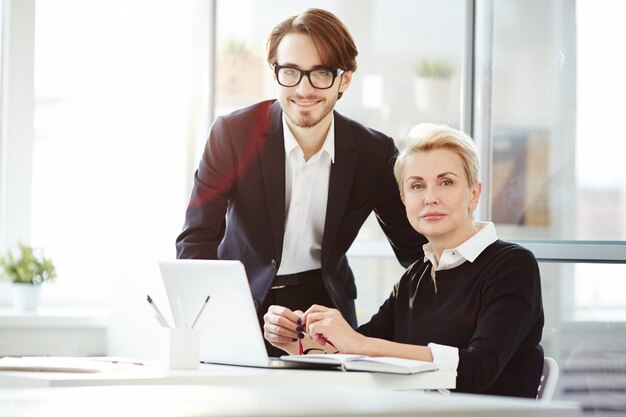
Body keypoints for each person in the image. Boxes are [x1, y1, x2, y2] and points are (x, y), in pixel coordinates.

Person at [175, 8, 425, 357]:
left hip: (325, 313)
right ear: (275, 73)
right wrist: (219, 316)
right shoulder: (233, 134)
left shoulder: (374, 152)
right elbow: (196, 240)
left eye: (321, 73)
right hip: (241, 303)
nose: (303, 89)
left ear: (345, 80)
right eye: (290, 72)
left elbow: (416, 251)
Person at [263, 123, 545, 397]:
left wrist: (360, 344)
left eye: (446, 182)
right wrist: (296, 341)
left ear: (474, 193)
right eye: (417, 186)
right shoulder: (414, 277)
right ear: (404, 199)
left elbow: (477, 369)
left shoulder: (513, 266)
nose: (430, 198)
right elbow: (355, 355)